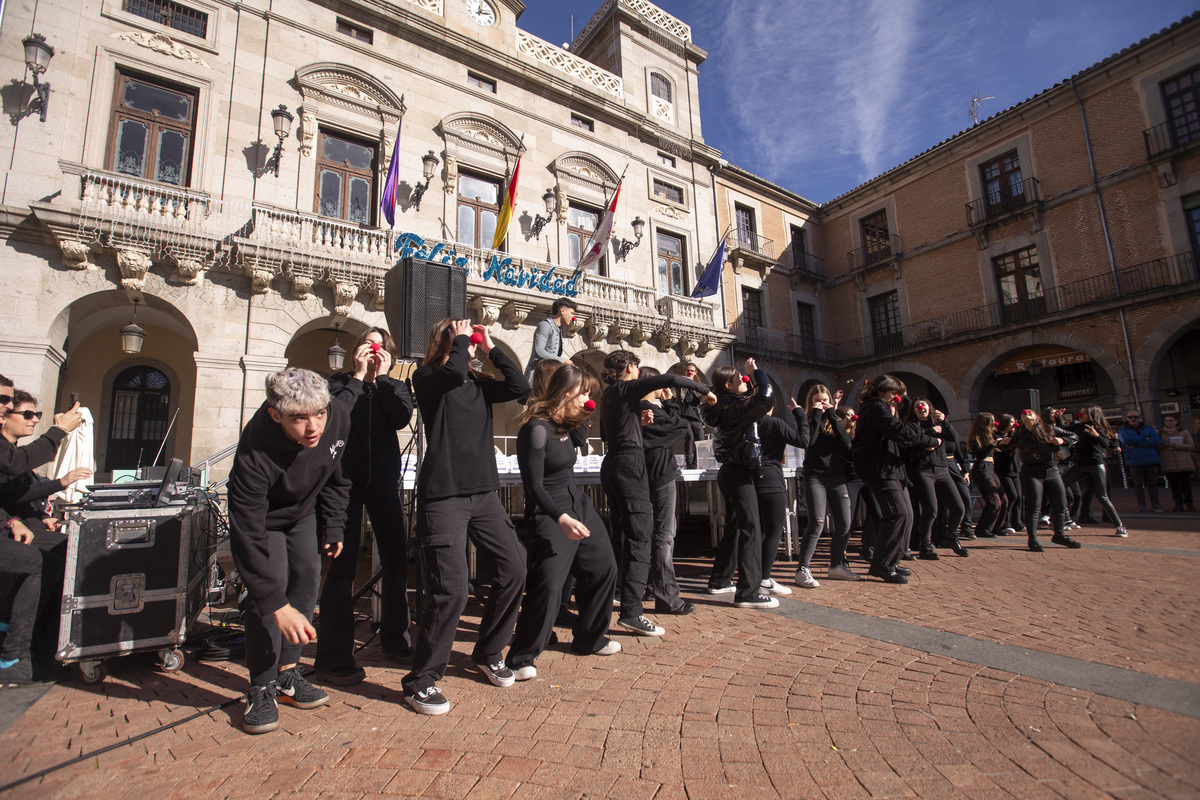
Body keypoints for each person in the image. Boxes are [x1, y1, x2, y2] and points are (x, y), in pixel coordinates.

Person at [402, 319, 529, 716]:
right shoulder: (426, 379)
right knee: (451, 592)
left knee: (514, 569)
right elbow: (452, 369)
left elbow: (519, 388)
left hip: (483, 495)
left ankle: (489, 651)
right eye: (462, 338)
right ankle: (420, 682)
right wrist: (458, 338)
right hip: (444, 497)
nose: (469, 344)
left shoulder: (476, 384)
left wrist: (491, 348)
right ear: (447, 342)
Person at [227, 368, 351, 735]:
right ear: (275, 414)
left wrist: (334, 524)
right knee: (271, 592)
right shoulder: (255, 453)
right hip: (264, 519)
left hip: (303, 512)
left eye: (319, 414)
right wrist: (274, 603)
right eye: (299, 418)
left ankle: (288, 675)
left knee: (307, 579)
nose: (313, 427)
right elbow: (245, 533)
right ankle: (261, 685)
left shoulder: (338, 415)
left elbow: (336, 474)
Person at [315, 328, 415, 686]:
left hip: (384, 482)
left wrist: (384, 379)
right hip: (345, 483)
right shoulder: (339, 383)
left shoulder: (394, 386)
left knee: (396, 560)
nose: (373, 350)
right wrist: (358, 377)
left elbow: (401, 417)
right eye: (367, 343)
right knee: (341, 567)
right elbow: (336, 415)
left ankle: (396, 638)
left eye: (380, 345)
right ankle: (333, 655)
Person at [508, 365, 619, 681]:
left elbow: (581, 438)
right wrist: (561, 518)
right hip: (550, 510)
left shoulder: (565, 425)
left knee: (604, 567)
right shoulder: (536, 429)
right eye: (583, 392)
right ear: (566, 391)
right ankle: (521, 656)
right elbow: (534, 487)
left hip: (577, 501)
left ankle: (590, 638)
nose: (587, 399)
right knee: (550, 583)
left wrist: (583, 417)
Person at [599, 350, 715, 635]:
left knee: (626, 536)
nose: (639, 372)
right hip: (629, 465)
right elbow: (672, 377)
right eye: (636, 367)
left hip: (612, 463)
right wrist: (704, 391)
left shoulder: (610, 394)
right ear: (629, 367)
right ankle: (632, 612)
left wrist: (637, 423)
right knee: (640, 539)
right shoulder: (628, 386)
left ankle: (626, 600)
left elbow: (606, 434)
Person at [700, 359, 779, 608]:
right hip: (739, 470)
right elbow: (766, 397)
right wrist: (756, 373)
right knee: (751, 528)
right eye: (739, 379)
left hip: (730, 470)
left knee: (736, 526)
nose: (743, 381)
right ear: (728, 385)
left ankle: (720, 580)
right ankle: (748, 592)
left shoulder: (721, 406)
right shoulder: (735, 406)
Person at [851, 375, 940, 584]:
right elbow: (898, 431)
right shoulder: (876, 407)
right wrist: (928, 440)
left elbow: (902, 426)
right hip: (880, 469)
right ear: (881, 391)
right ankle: (883, 566)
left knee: (906, 514)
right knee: (897, 513)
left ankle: (892, 560)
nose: (897, 398)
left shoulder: (880, 407)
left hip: (890, 469)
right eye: (894, 393)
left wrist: (904, 398)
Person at [637, 367, 695, 616]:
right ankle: (666, 595)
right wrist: (670, 403)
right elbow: (682, 428)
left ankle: (654, 584)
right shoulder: (648, 409)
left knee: (658, 533)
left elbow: (676, 428)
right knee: (664, 535)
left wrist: (669, 405)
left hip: (652, 472)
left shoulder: (642, 409)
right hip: (659, 474)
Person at [795, 385, 858, 587]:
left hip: (837, 477)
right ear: (811, 402)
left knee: (845, 523)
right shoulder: (807, 421)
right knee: (817, 523)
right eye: (817, 400)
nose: (821, 403)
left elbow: (846, 443)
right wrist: (816, 414)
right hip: (815, 477)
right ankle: (802, 569)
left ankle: (836, 565)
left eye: (824, 400)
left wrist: (831, 413)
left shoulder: (835, 421)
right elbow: (809, 442)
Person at [904, 399, 968, 559]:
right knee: (931, 509)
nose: (921, 407)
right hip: (922, 470)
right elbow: (913, 441)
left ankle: (951, 536)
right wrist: (932, 432)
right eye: (917, 405)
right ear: (914, 410)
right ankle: (925, 545)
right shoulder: (912, 426)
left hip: (942, 469)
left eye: (924, 404)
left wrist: (945, 421)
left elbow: (953, 437)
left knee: (958, 507)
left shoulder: (939, 423)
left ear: (929, 407)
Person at [1010, 409, 1080, 552]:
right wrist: (1002, 443)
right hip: (1031, 472)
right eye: (1024, 414)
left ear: (1036, 417)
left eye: (1030, 412)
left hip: (1052, 470)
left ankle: (1059, 535)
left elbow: (1073, 436)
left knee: (1060, 504)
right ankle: (1033, 539)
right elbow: (1007, 446)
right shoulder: (1020, 435)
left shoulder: (1049, 429)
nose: (1026, 414)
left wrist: (1063, 440)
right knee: (1034, 506)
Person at [756, 399, 807, 593]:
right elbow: (803, 440)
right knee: (774, 530)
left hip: (752, 478)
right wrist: (800, 414)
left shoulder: (748, 424)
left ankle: (755, 576)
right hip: (771, 477)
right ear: (771, 406)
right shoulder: (773, 423)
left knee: (759, 529)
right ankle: (764, 579)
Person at [1062, 406, 1127, 537]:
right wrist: (1057, 417)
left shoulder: (1097, 427)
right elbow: (1063, 430)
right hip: (1080, 465)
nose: (1081, 415)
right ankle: (1066, 518)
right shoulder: (1078, 427)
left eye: (1085, 413)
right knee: (1060, 485)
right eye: (1081, 413)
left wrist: (1096, 435)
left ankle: (1120, 526)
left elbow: (1107, 444)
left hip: (1095, 465)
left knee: (1102, 497)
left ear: (1092, 415)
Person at [966, 412, 1008, 540]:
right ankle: (983, 528)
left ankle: (996, 527)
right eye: (992, 421)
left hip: (991, 469)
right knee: (993, 501)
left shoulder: (990, 436)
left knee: (1004, 500)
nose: (994, 424)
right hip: (982, 469)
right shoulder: (976, 438)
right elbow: (980, 454)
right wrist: (993, 444)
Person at [1117, 410, 1164, 513]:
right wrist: (1144, 438)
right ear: (1127, 418)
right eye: (1130, 417)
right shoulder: (1122, 430)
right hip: (1134, 461)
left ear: (1140, 418)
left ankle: (1156, 504)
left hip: (1151, 460)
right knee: (1138, 484)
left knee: (1153, 483)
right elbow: (1125, 440)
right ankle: (1141, 504)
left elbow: (1155, 441)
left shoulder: (1148, 429)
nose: (1133, 419)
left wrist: (1135, 443)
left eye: (1136, 417)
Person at [524, 298, 577, 384]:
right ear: (562, 311)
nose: (573, 318)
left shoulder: (558, 329)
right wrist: (562, 360)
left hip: (548, 375)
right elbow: (539, 351)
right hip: (537, 376)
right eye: (571, 313)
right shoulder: (545, 325)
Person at [1159, 414, 1196, 512]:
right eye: (1166, 421)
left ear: (1176, 422)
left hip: (1183, 462)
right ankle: (1178, 504)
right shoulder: (1160, 433)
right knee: (1174, 486)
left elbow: (1191, 446)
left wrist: (1176, 445)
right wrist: (1163, 445)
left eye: (1171, 420)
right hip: (1168, 463)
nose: (1168, 423)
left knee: (1186, 485)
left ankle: (1189, 504)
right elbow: (1156, 447)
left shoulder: (1184, 432)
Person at [673, 363, 707, 469]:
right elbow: (674, 379)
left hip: (697, 416)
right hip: (685, 415)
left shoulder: (699, 385)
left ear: (695, 372)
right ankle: (689, 462)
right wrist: (685, 379)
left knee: (700, 439)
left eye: (692, 370)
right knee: (689, 437)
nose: (690, 372)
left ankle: (697, 462)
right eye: (688, 370)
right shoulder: (682, 385)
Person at [993, 413, 1021, 536]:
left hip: (1014, 469)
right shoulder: (997, 437)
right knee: (1011, 496)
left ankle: (1017, 522)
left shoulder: (1011, 435)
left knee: (1019, 497)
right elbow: (1005, 450)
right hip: (1003, 470)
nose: (1013, 424)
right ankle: (1005, 523)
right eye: (1011, 422)